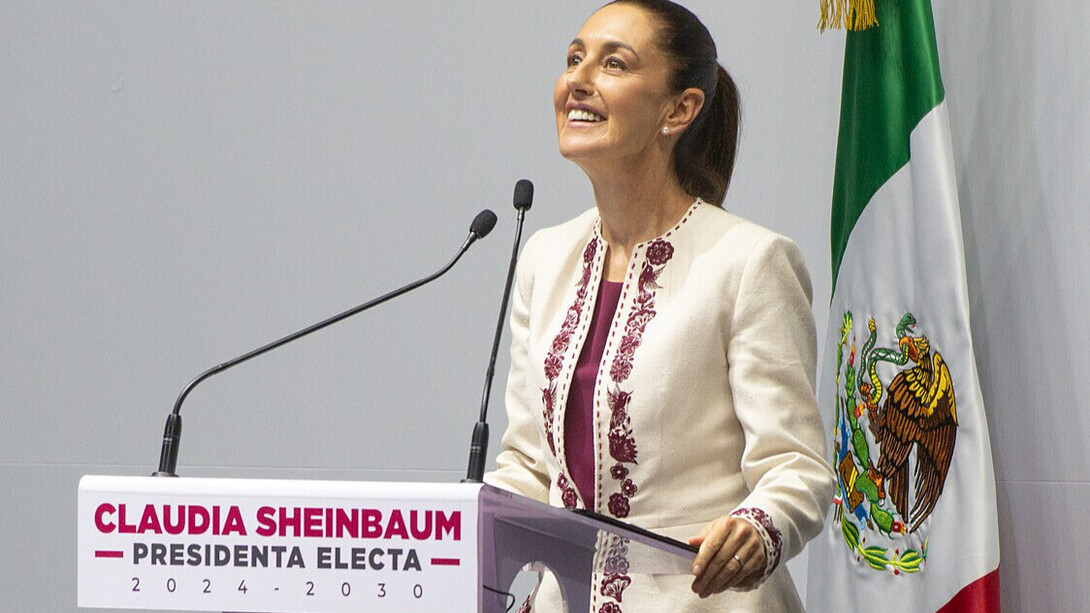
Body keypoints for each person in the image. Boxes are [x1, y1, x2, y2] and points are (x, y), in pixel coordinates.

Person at [484, 1, 836, 611]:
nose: (578, 80)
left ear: (679, 109)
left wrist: (759, 527)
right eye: (574, 59)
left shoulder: (750, 261)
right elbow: (526, 463)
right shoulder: (545, 257)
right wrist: (457, 534)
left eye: (613, 63)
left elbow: (797, 468)